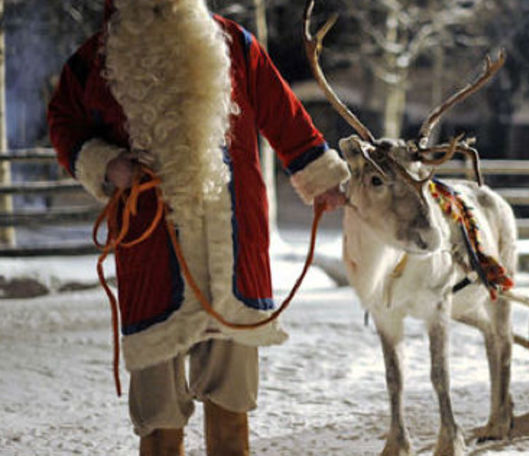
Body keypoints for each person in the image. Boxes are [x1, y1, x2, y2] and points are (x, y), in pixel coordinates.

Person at [47, 0, 349, 454]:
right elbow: (64, 126)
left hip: (233, 254)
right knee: (159, 421)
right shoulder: (94, 60)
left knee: (231, 413)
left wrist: (321, 178)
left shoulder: (236, 45)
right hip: (151, 259)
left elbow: (283, 115)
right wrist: (107, 164)